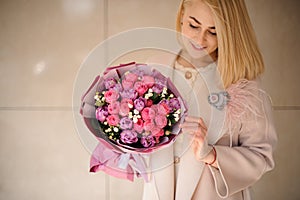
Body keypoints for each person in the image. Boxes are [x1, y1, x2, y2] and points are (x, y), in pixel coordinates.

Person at [142, 0, 277, 199]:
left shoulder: (243, 82)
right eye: (194, 25)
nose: (200, 39)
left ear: (228, 34)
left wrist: (212, 155)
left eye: (213, 32)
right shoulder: (153, 69)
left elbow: (261, 156)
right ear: (181, 18)